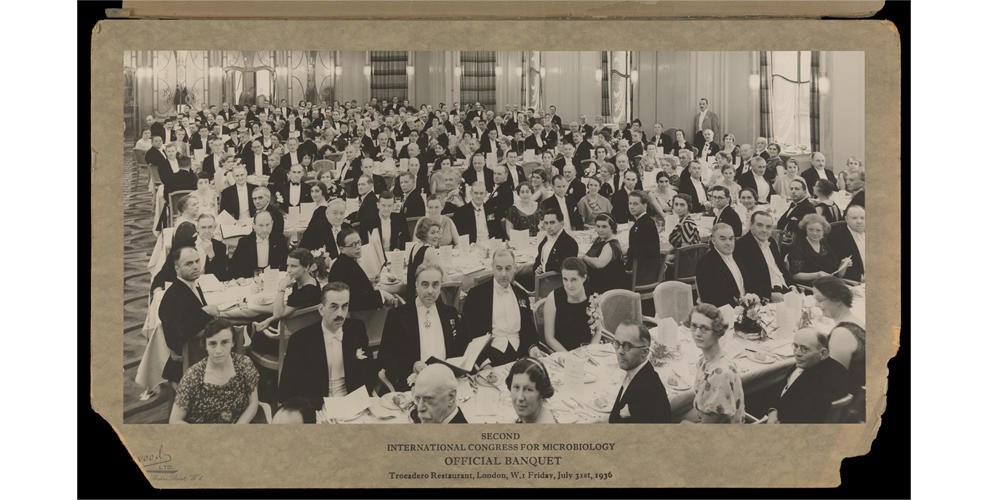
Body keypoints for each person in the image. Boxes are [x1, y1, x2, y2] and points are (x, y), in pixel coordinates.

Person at [277, 282, 376, 408]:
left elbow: (369, 371)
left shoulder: (356, 329)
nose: (340, 314)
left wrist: (359, 400)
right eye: (334, 307)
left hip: (352, 403)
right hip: (317, 407)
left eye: (344, 306)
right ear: (321, 309)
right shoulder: (300, 340)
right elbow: (286, 392)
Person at [379, 263, 467, 391]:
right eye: (425, 284)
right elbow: (385, 357)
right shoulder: (398, 316)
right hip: (414, 384)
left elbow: (461, 349)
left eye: (435, 285)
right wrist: (412, 365)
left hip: (447, 382)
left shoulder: (450, 313)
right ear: (416, 285)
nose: (430, 291)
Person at [460, 247, 544, 366]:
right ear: (492, 268)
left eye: (508, 268)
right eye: (499, 268)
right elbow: (470, 334)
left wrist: (532, 347)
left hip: (520, 353)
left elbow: (528, 328)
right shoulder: (477, 295)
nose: (503, 274)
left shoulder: (521, 295)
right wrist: (483, 362)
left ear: (515, 268)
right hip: (490, 356)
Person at [169, 319, 260, 424]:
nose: (218, 350)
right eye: (212, 344)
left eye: (225, 342)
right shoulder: (193, 376)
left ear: (233, 343)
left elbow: (253, 403)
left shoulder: (244, 364)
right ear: (205, 346)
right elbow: (174, 420)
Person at [158, 246, 220, 383]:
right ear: (176, 269)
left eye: (197, 261)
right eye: (189, 263)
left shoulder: (193, 285)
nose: (196, 266)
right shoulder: (172, 297)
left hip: (201, 351)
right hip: (191, 360)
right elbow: (177, 337)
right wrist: (205, 312)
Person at [764, 327, 849, 424]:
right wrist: (773, 411)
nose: (797, 353)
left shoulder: (825, 381)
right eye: (795, 346)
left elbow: (805, 418)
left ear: (823, 353)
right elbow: (782, 388)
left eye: (805, 349)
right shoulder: (809, 362)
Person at [250, 248, 322, 355]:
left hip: (292, 339)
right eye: (288, 265)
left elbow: (278, 313)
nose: (288, 270)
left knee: (250, 325)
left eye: (294, 266)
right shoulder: (310, 282)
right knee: (260, 317)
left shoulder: (307, 291)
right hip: (299, 329)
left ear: (306, 267)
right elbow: (288, 310)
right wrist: (270, 320)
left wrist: (281, 288)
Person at [687, 304, 745, 423]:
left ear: (717, 331)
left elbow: (708, 427)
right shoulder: (705, 360)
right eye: (694, 326)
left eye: (704, 328)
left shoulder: (720, 374)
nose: (697, 333)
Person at [813, 276, 865, 400]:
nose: (816, 305)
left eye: (820, 300)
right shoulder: (854, 321)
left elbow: (834, 383)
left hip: (848, 403)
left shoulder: (841, 333)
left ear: (837, 299)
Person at [327, 227, 404, 311]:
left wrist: (369, 282)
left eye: (359, 242)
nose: (358, 247)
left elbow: (356, 288)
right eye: (353, 245)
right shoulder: (345, 266)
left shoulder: (344, 262)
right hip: (364, 316)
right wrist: (382, 294)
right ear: (341, 249)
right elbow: (357, 300)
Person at [609, 320, 671, 423]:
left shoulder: (646, 392)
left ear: (645, 352)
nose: (619, 351)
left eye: (627, 346)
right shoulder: (637, 372)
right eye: (617, 343)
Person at [542, 258, 597, 352]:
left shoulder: (593, 297)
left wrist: (590, 352)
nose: (569, 285)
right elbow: (549, 338)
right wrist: (569, 356)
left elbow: (597, 331)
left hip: (588, 352)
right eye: (565, 279)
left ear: (584, 277)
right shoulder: (554, 298)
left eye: (574, 279)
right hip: (562, 353)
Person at [734, 211, 790, 303]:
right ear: (751, 226)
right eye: (760, 225)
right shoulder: (741, 246)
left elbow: (781, 268)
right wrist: (768, 294)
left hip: (785, 289)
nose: (764, 230)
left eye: (768, 227)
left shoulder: (771, 242)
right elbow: (746, 279)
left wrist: (792, 285)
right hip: (766, 296)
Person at [787, 214, 853, 285]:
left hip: (829, 285)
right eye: (811, 229)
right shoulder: (798, 247)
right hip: (810, 288)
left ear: (823, 231)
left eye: (818, 230)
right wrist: (817, 275)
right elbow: (795, 276)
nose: (814, 233)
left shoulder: (824, 245)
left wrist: (843, 265)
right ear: (805, 229)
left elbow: (838, 275)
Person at [696, 223, 745, 307]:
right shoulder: (706, 263)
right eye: (723, 239)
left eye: (731, 239)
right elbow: (709, 298)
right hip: (725, 313)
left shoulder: (739, 256)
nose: (728, 243)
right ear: (713, 240)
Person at [229, 211, 289, 278]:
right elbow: (235, 268)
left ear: (272, 224)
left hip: (273, 279)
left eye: (267, 225)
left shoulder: (280, 240)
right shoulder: (244, 243)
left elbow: (285, 264)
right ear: (254, 226)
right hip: (250, 281)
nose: (264, 229)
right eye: (261, 225)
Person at [581, 214, 628, 293]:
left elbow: (599, 264)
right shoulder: (600, 240)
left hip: (607, 288)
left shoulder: (611, 245)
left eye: (604, 227)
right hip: (597, 283)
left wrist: (584, 257)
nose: (600, 230)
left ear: (612, 228)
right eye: (598, 226)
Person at [506, 358, 559, 423]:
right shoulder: (530, 415)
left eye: (528, 389)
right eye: (516, 387)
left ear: (541, 393)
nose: (520, 397)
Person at [405, 218, 441, 302]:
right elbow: (443, 278)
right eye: (432, 233)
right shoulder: (430, 251)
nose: (437, 236)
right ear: (424, 234)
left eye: (437, 232)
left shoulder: (415, 246)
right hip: (424, 299)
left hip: (411, 297)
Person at [533, 209, 579, 277]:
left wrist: (544, 271)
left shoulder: (569, 243)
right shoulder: (544, 241)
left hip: (558, 283)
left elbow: (566, 268)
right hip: (542, 280)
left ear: (562, 223)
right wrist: (536, 270)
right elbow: (538, 261)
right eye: (546, 223)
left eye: (552, 223)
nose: (548, 227)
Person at [828, 205, 865, 282]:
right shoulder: (837, 237)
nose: (859, 221)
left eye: (862, 218)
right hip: (856, 281)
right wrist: (861, 278)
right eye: (854, 218)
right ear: (846, 219)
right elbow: (837, 269)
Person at [364, 191, 408, 257]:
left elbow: (406, 238)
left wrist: (399, 250)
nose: (386, 209)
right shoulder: (369, 221)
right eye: (383, 205)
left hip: (393, 256)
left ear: (393, 206)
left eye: (389, 206)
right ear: (378, 205)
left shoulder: (399, 219)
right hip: (375, 257)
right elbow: (365, 243)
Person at [776, 178, 814, 249]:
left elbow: (803, 232)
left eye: (797, 189)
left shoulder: (808, 208)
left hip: (797, 248)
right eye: (791, 189)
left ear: (805, 192)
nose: (793, 191)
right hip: (787, 243)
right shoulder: (793, 204)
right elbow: (780, 223)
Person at [626, 190, 659, 266]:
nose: (631, 207)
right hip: (645, 268)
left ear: (645, 205)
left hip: (641, 271)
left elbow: (639, 252)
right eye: (630, 203)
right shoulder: (643, 221)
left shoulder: (645, 224)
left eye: (635, 204)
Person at [194, 214, 229, 280]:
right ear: (197, 228)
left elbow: (222, 276)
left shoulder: (220, 247)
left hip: (210, 285)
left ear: (214, 228)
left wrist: (211, 256)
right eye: (203, 227)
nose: (207, 231)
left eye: (210, 227)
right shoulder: (188, 244)